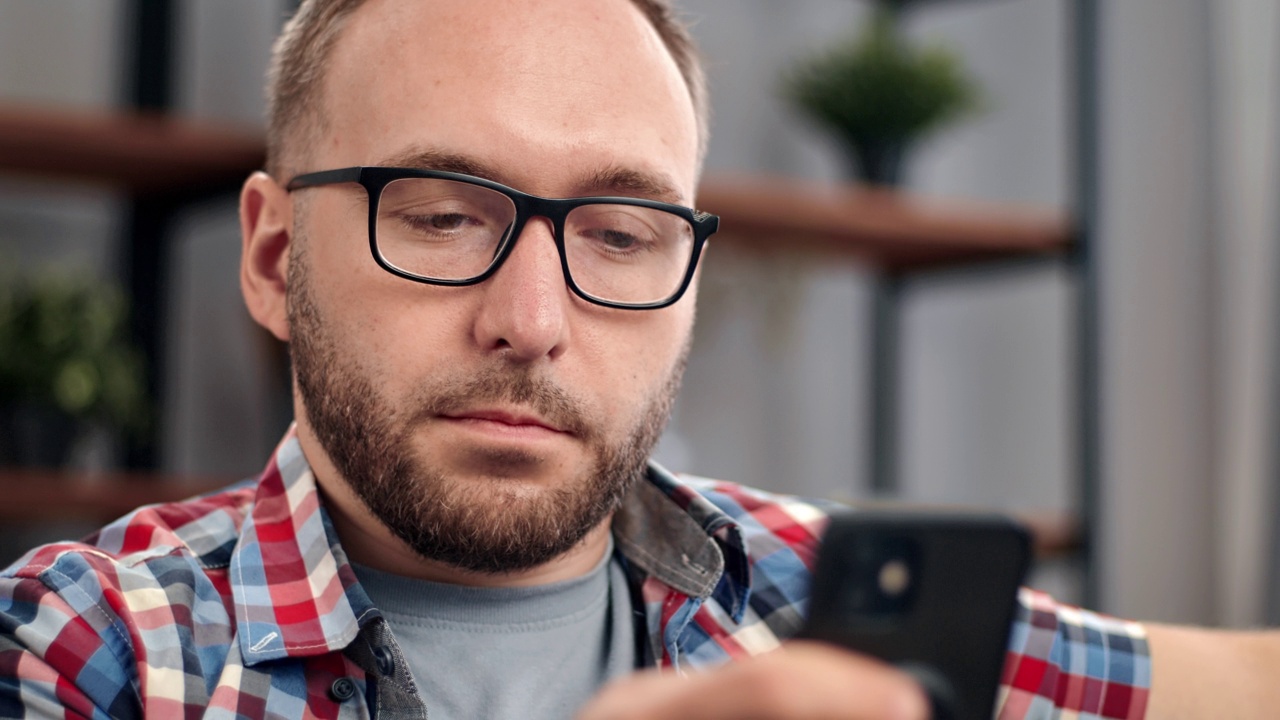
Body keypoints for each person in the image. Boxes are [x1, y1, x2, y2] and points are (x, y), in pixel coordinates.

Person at [0, 1, 1272, 718]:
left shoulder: (807, 604)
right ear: (276, 258)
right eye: (444, 215)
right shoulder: (93, 648)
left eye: (617, 235)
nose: (532, 319)